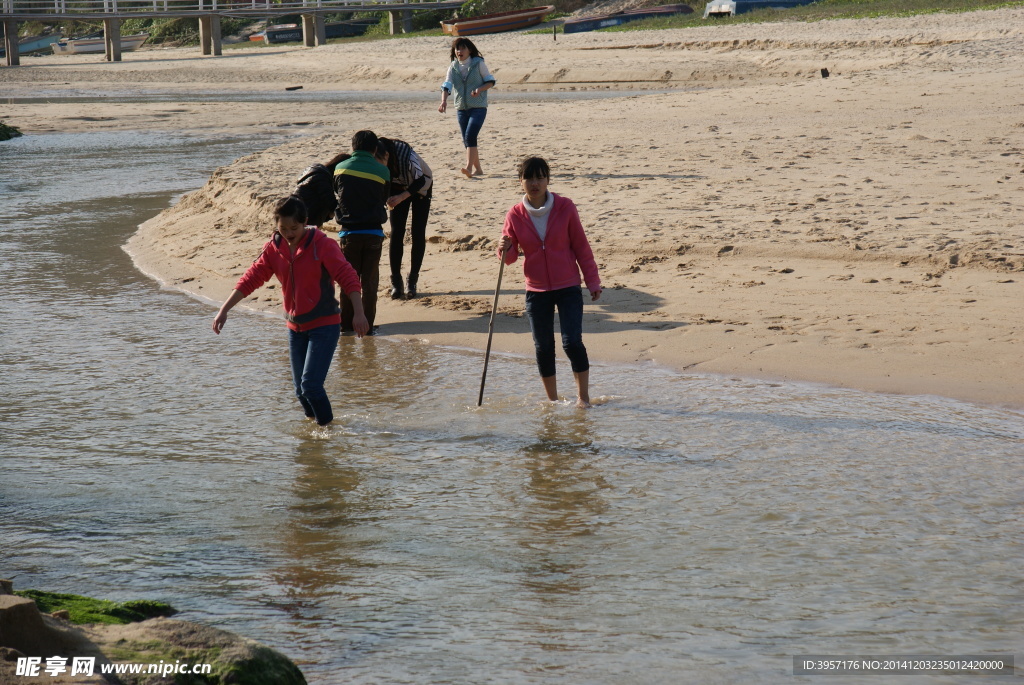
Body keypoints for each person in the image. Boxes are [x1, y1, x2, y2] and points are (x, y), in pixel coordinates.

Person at [212, 195, 369, 427]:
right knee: (300, 391)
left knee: (311, 386)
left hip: (324, 325)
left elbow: (348, 276)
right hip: (295, 328)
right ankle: (316, 429)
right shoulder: (274, 249)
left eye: (294, 227)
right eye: (283, 228)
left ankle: (328, 431)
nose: (288, 233)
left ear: (305, 222)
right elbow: (250, 278)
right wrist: (224, 309)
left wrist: (359, 312)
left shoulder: (323, 245)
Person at [497, 157, 602, 409]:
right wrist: (503, 248)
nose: (535, 183)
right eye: (529, 178)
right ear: (521, 181)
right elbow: (510, 259)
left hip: (568, 286)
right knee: (543, 347)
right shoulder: (514, 214)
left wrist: (592, 281)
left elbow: (581, 246)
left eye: (540, 177)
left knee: (571, 342)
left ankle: (583, 399)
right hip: (536, 289)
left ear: (548, 180)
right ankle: (552, 401)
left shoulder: (565, 207)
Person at [333, 130, 390, 333]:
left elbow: (338, 193)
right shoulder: (383, 171)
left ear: (353, 147)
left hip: (349, 234)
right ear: (375, 149)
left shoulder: (340, 168)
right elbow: (384, 197)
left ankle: (346, 326)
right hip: (374, 233)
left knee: (348, 281)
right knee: (370, 283)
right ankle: (368, 327)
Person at [379, 136, 433, 299]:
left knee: (418, 232)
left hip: (422, 186)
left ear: (387, 155)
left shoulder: (407, 155)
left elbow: (420, 180)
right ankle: (396, 282)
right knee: (396, 232)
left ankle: (412, 281)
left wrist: (403, 196)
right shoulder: (376, 157)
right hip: (397, 186)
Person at [438, 37, 495, 179]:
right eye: (457, 49)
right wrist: (443, 101)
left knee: (470, 136)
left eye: (463, 48)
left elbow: (490, 81)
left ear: (469, 50)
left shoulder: (478, 63)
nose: (459, 51)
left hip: (478, 107)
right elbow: (447, 85)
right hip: (461, 108)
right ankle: (479, 169)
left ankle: (469, 168)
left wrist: (479, 89)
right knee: (467, 140)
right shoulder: (453, 66)